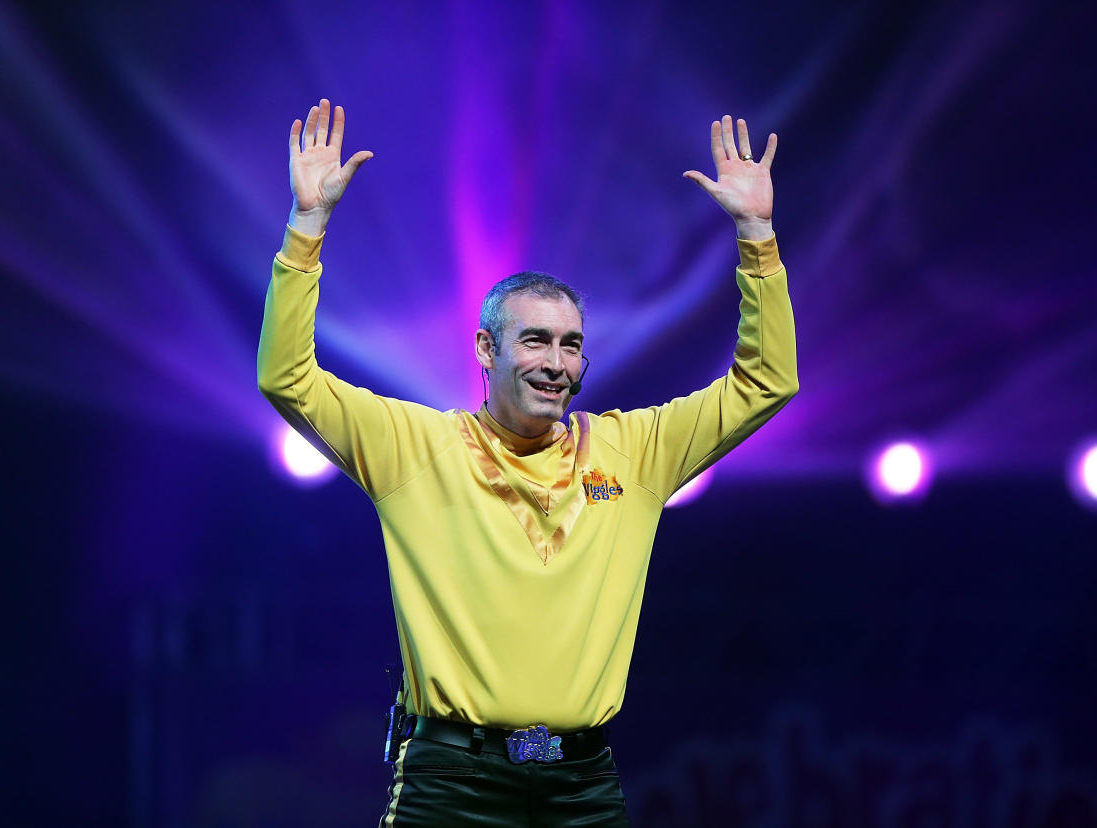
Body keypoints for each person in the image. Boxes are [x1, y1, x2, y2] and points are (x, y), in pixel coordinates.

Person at [258, 98, 798, 826]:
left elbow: (766, 383)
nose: (557, 363)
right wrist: (306, 228)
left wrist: (756, 236)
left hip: (581, 785)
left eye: (571, 344)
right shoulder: (414, 447)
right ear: (486, 350)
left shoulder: (631, 452)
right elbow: (286, 378)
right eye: (535, 341)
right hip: (452, 783)